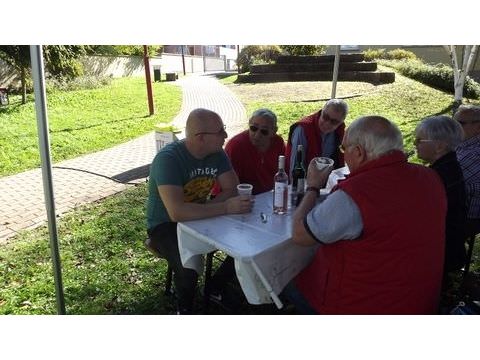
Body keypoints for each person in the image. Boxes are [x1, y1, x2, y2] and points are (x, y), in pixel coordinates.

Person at [284, 115, 447, 314]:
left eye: (344, 149)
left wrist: (313, 186)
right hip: (421, 300)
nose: (343, 154)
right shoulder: (430, 177)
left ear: (359, 152)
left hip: (360, 304)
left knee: (288, 281)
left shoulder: (356, 194)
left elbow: (299, 235)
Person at [145, 108, 253, 314]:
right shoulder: (168, 159)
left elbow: (232, 188)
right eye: (220, 131)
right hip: (165, 224)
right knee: (189, 269)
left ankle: (214, 287)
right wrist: (223, 207)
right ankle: (184, 308)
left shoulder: (217, 153)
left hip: (200, 217)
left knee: (245, 243)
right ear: (201, 137)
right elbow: (177, 212)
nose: (225, 136)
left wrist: (205, 209)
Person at [414, 115, 467, 275]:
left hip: (440, 253)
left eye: (419, 141)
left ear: (439, 147)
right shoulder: (449, 166)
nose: (415, 144)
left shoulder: (438, 176)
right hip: (448, 246)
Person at [223, 108, 285, 194]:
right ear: (249, 124)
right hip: (244, 197)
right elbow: (227, 184)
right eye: (253, 128)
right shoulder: (236, 145)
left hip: (270, 194)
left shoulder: (278, 142)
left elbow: (284, 172)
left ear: (273, 131)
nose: (257, 134)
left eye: (264, 131)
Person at [285, 99, 348, 176]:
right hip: (303, 180)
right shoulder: (303, 129)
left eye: (334, 122)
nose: (327, 123)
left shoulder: (339, 130)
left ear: (341, 122)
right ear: (321, 112)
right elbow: (295, 167)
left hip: (325, 179)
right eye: (325, 117)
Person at [454, 105, 480, 237]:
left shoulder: (475, 153)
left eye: (460, 123)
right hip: (457, 208)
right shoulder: (464, 143)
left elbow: (448, 182)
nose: (454, 127)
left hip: (467, 217)